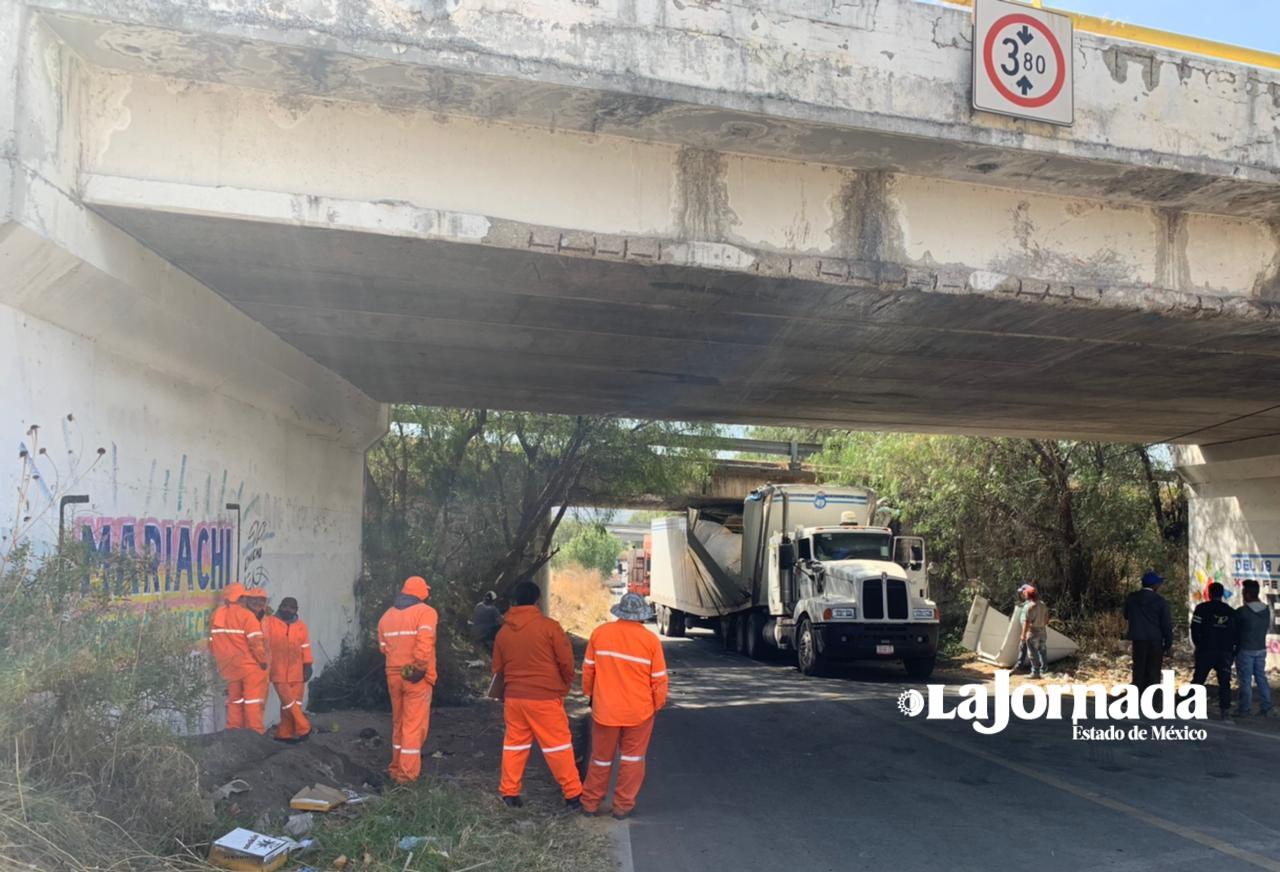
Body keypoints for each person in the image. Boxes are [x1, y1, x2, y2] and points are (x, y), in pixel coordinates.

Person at [491, 580, 583, 810]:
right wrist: (564, 684)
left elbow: (497, 669)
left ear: (514, 602)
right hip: (544, 697)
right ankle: (573, 794)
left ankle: (509, 793)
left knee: (515, 745)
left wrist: (506, 693)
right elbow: (566, 662)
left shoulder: (503, 632)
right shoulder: (549, 627)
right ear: (537, 601)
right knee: (558, 746)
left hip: (514, 698)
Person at [581, 592, 668, 820]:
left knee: (600, 758)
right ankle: (622, 807)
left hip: (605, 710)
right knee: (632, 760)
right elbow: (659, 679)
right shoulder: (650, 641)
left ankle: (590, 804)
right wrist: (656, 706)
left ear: (620, 612)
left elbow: (588, 670)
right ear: (641, 616)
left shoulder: (600, 634)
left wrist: (590, 695)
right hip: (639, 712)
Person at [377, 576, 438, 783]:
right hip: (416, 676)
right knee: (413, 726)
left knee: (399, 723)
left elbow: (383, 647)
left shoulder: (387, 615)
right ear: (422, 592)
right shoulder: (426, 613)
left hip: (393, 674)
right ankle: (407, 776)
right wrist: (420, 667)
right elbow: (425, 641)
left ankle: (395, 769)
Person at [209, 582, 270, 733]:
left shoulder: (216, 615)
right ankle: (255, 732)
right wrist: (262, 661)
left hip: (229, 668)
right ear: (241, 597)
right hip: (249, 667)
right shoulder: (246, 616)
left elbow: (212, 644)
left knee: (234, 701)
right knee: (252, 701)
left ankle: (234, 731)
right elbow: (256, 642)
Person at [262, 596, 314, 742]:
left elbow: (305, 647)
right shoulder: (270, 622)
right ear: (280, 606)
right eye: (285, 606)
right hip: (278, 670)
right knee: (289, 701)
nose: (287, 610)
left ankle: (284, 733)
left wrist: (308, 664)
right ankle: (304, 727)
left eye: (291, 607)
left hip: (298, 671)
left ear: (296, 610)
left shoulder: (301, 626)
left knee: (293, 703)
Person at [1190, 582, 1236, 720]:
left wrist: (1198, 645)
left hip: (1206, 650)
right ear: (1222, 594)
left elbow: (1195, 628)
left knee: (1199, 678)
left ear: (1209, 593)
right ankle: (1225, 710)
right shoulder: (1230, 611)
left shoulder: (1202, 609)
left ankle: (1191, 706)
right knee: (1224, 682)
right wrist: (1232, 651)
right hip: (1224, 652)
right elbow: (1236, 633)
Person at [1124, 570, 1173, 691]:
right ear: (1154, 585)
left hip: (1138, 639)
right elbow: (1166, 623)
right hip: (1155, 640)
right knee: (1153, 670)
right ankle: (1153, 700)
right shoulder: (1160, 601)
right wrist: (1168, 641)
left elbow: (1126, 615)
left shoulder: (1132, 598)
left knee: (1139, 668)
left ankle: (1136, 696)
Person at [1235, 580, 1274, 718]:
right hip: (1261, 649)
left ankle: (1245, 709)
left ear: (1247, 594)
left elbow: (1234, 630)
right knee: (1261, 678)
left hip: (1245, 649)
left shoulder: (1242, 612)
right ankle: (1266, 706)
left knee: (1245, 680)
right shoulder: (1266, 610)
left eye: (1243, 593)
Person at [1018, 586, 1050, 679]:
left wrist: (1023, 635)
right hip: (1043, 632)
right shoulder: (1043, 605)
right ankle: (1044, 670)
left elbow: (1027, 622)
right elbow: (1047, 620)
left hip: (1033, 633)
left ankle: (1035, 673)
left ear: (1028, 596)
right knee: (1043, 651)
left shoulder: (1029, 607)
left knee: (1033, 654)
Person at [1010, 585, 1032, 673]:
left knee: (1025, 646)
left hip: (1028, 628)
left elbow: (1028, 619)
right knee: (1025, 647)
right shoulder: (1028, 602)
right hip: (1027, 628)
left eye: (1022, 593)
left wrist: (1024, 633)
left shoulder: (1030, 603)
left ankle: (1020, 667)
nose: (1021, 595)